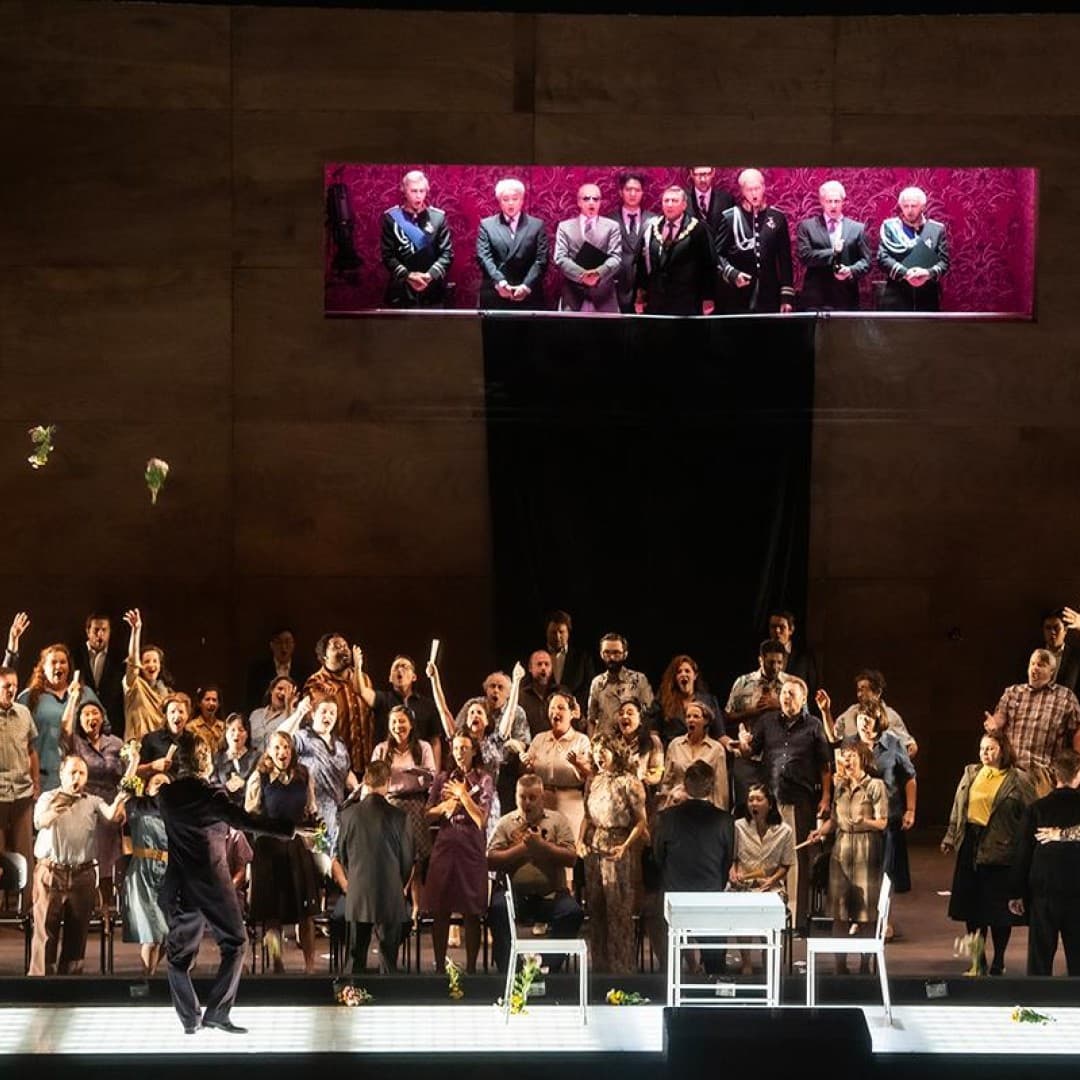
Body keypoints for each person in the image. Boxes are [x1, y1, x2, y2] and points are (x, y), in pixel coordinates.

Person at [159, 732, 293, 1033]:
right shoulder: (211, 795)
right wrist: (292, 828)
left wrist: (130, 796)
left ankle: (190, 1020)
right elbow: (247, 821)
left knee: (178, 959)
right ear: (204, 760)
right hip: (212, 884)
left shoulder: (167, 795)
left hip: (181, 887)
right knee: (236, 943)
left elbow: (143, 806)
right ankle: (217, 1012)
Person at [739, 677, 831, 932]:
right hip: (770, 800)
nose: (787, 697)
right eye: (784, 693)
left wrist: (825, 798)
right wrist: (745, 743)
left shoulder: (813, 725)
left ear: (803, 699)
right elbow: (751, 751)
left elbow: (825, 767)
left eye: (792, 694)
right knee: (767, 855)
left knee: (796, 859)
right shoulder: (767, 722)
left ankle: (795, 919)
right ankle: (767, 917)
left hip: (799, 800)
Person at [942, 732, 1034, 976]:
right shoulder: (971, 773)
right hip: (970, 846)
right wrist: (951, 836)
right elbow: (958, 806)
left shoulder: (1017, 779)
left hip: (1001, 850)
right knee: (971, 909)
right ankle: (977, 961)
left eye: (991, 748)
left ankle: (998, 962)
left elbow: (1031, 812)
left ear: (1002, 750)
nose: (985, 753)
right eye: (982, 748)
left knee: (998, 912)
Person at [30, 754, 130, 974]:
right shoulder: (48, 797)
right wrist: (59, 805)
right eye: (72, 772)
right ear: (61, 774)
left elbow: (112, 815)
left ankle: (71, 986)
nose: (77, 777)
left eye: (81, 773)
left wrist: (123, 794)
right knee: (45, 934)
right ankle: (41, 987)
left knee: (77, 936)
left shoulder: (91, 801)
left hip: (82, 874)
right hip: (51, 873)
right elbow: (40, 822)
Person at [487, 774, 582, 974]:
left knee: (571, 912)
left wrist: (542, 847)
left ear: (542, 798)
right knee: (497, 909)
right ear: (515, 797)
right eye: (522, 797)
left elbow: (571, 858)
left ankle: (546, 966)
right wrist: (521, 849)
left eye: (532, 797)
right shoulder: (506, 823)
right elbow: (490, 860)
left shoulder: (557, 821)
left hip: (551, 896)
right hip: (515, 897)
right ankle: (509, 971)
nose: (527, 803)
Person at [807, 741, 888, 971]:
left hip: (866, 849)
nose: (847, 760)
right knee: (839, 912)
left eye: (852, 756)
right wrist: (819, 832)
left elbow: (883, 823)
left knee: (866, 913)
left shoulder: (875, 786)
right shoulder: (840, 786)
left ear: (863, 758)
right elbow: (834, 819)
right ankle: (840, 965)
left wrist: (867, 822)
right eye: (844, 756)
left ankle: (865, 964)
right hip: (841, 850)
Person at [244, 730, 320, 974]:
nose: (281, 752)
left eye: (285, 747)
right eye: (276, 747)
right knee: (272, 914)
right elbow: (250, 815)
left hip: (297, 849)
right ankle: (277, 964)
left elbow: (311, 809)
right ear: (269, 751)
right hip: (269, 851)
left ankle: (310, 967)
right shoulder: (260, 777)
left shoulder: (303, 774)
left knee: (306, 912)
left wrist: (315, 832)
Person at [331, 758, 414, 974]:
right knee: (388, 960)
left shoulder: (348, 815)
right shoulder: (400, 817)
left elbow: (342, 853)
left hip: (358, 893)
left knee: (355, 958)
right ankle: (388, 1000)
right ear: (388, 781)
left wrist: (355, 879)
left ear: (366, 780)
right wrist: (398, 883)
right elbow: (407, 860)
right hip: (390, 893)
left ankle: (353, 998)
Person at [652, 760, 734, 975]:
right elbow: (727, 861)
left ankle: (670, 999)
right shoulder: (725, 820)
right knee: (715, 963)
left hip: (675, 895)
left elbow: (658, 857)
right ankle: (716, 995)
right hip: (709, 895)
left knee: (671, 967)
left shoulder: (665, 818)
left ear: (686, 784)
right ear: (711, 786)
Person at [424, 731, 494, 974]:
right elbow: (427, 812)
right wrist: (443, 806)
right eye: (456, 748)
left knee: (471, 910)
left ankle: (472, 969)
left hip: (471, 846)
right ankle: (440, 967)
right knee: (440, 908)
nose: (459, 752)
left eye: (464, 748)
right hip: (445, 844)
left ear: (474, 751)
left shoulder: (484, 779)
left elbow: (480, 820)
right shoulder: (443, 777)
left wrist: (463, 796)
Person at [578, 734, 647, 973]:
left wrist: (626, 846)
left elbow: (641, 822)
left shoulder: (629, 782)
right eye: (595, 751)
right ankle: (599, 969)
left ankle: (622, 970)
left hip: (619, 845)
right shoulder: (593, 781)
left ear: (615, 752)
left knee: (618, 911)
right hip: (595, 844)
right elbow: (587, 817)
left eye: (603, 751)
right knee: (596, 910)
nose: (598, 756)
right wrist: (580, 841)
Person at [1009, 749, 1080, 975]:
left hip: (1044, 889)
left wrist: (1016, 891)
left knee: (1040, 955)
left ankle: (1036, 1000)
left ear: (1054, 776)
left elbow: (1022, 853)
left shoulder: (1036, 809)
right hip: (1077, 890)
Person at [58, 674, 125, 903]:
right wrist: (73, 699)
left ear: (103, 717)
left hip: (110, 804)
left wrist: (123, 803)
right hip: (83, 804)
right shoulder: (75, 742)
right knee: (88, 855)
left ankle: (106, 907)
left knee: (108, 858)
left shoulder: (116, 743)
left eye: (95, 713)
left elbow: (126, 776)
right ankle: (85, 905)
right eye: (86, 714)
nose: (91, 717)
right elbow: (64, 730)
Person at [985, 648, 1080, 796]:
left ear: (1052, 672)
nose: (1034, 668)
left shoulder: (1065, 697)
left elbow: (1077, 734)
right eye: (1032, 664)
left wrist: (1075, 771)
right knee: (970, 776)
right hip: (1010, 769)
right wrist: (994, 724)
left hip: (1043, 772)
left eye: (1041, 665)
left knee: (1019, 789)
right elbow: (1000, 717)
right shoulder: (1012, 693)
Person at [371, 704, 435, 917]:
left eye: (402, 721)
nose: (398, 726)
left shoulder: (423, 747)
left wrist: (414, 772)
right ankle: (393, 905)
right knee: (392, 859)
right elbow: (374, 778)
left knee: (415, 859)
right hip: (389, 804)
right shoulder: (382, 749)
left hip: (415, 804)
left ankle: (417, 908)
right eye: (394, 722)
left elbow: (432, 777)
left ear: (411, 724)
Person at [848, 701, 917, 898]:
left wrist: (910, 810)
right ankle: (859, 918)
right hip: (859, 817)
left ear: (879, 721)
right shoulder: (850, 744)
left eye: (869, 719)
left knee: (884, 873)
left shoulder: (893, 744)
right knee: (858, 873)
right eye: (861, 718)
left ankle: (884, 920)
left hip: (887, 817)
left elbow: (909, 778)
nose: (864, 724)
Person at [276, 695, 358, 855]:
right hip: (311, 816)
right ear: (313, 714)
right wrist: (298, 713)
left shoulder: (340, 744)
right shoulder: (303, 737)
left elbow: (346, 773)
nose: (328, 716)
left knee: (334, 865)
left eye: (332, 713)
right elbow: (280, 737)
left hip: (336, 817)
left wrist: (357, 787)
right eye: (324, 711)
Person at [16, 641, 101, 795]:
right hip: (42, 778)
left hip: (79, 779)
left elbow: (103, 730)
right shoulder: (29, 697)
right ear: (43, 667)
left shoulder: (85, 694)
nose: (58, 666)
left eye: (63, 662)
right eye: (53, 662)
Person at [728, 782, 794, 974]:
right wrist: (734, 872)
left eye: (758, 799)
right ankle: (746, 960)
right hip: (744, 885)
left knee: (769, 909)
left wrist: (771, 880)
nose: (754, 804)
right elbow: (733, 860)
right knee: (743, 908)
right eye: (750, 800)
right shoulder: (738, 827)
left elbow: (786, 864)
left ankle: (769, 959)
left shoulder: (784, 831)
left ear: (769, 803)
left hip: (771, 886)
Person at [715, 169, 795, 314]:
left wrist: (786, 297)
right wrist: (732, 274)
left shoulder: (777, 218)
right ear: (742, 191)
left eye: (757, 188)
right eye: (749, 189)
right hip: (738, 295)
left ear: (764, 187)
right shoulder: (730, 218)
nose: (754, 193)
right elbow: (717, 255)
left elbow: (785, 260)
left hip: (769, 295)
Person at [520, 689, 592, 843]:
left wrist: (578, 763)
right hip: (541, 801)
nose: (555, 712)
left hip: (570, 802)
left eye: (560, 708)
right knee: (539, 852)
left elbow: (591, 774)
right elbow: (528, 772)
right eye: (552, 708)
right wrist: (527, 764)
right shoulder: (539, 739)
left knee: (566, 851)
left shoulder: (581, 740)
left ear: (572, 713)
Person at [725, 640, 788, 812]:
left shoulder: (790, 686)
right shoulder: (743, 682)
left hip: (777, 757)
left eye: (779, 662)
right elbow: (728, 716)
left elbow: (803, 717)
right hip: (747, 758)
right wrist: (753, 712)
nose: (775, 667)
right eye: (771, 662)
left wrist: (779, 705)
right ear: (761, 660)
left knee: (775, 809)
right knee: (745, 808)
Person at [634, 185, 715, 315]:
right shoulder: (651, 227)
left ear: (684, 205)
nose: (669, 205)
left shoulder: (698, 229)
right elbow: (643, 264)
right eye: (666, 201)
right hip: (657, 300)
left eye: (674, 201)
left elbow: (708, 265)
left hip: (686, 301)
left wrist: (708, 297)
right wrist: (640, 294)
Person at [355, 650, 442, 770]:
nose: (400, 670)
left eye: (405, 667)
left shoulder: (427, 705)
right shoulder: (382, 699)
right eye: (396, 667)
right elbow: (362, 691)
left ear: (414, 677)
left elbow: (435, 741)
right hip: (388, 772)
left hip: (419, 773)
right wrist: (358, 667)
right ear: (390, 678)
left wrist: (435, 774)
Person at [379, 169, 453, 308]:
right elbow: (387, 256)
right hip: (402, 290)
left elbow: (447, 254)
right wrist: (408, 276)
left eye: (422, 191)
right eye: (414, 191)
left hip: (432, 290)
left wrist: (429, 276)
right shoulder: (392, 218)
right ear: (404, 191)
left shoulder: (438, 218)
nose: (419, 196)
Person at [122, 772, 172, 976]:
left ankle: (150, 973)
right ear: (148, 788)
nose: (161, 785)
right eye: (156, 782)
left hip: (168, 872)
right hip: (143, 872)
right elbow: (124, 793)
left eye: (166, 783)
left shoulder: (175, 814)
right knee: (151, 934)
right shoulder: (137, 807)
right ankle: (146, 978)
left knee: (168, 936)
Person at [795, 180, 872, 311]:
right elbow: (804, 256)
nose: (833, 205)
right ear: (821, 202)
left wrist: (851, 270)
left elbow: (867, 262)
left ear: (843, 202)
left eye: (837, 201)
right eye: (829, 201)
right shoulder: (807, 226)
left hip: (846, 298)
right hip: (815, 299)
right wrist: (833, 252)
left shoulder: (857, 228)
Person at [0, 665, 40, 911]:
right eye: (6, 686)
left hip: (22, 793)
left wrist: (36, 782)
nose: (11, 690)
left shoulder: (24, 713)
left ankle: (28, 911)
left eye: (14, 685)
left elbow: (31, 750)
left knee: (26, 852)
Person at [303, 632, 372, 772]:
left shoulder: (363, 679)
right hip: (334, 766)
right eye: (336, 647)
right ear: (324, 657)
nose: (343, 649)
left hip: (365, 762)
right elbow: (316, 725)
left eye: (345, 646)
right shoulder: (316, 683)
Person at [476, 178, 549, 310]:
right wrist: (500, 282)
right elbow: (484, 258)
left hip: (528, 295)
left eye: (515, 199)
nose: (511, 203)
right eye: (505, 199)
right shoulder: (487, 225)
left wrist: (526, 286)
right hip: (496, 294)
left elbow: (541, 260)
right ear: (499, 201)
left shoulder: (536, 225)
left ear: (522, 200)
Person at [877, 186, 949, 312]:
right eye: (905, 206)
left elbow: (944, 262)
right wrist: (905, 273)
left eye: (914, 206)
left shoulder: (936, 230)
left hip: (927, 297)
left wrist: (927, 273)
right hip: (896, 296)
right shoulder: (891, 227)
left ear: (923, 207)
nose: (909, 210)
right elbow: (882, 258)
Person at [817, 668, 918, 757]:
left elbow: (911, 747)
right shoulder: (851, 712)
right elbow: (832, 737)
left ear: (878, 692)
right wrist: (825, 711)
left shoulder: (891, 716)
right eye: (858, 690)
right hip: (851, 774)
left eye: (864, 690)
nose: (860, 694)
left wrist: (896, 765)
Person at [554, 183, 622, 312]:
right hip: (573, 296)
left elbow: (616, 258)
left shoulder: (612, 227)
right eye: (586, 198)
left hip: (604, 297)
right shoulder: (565, 227)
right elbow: (560, 258)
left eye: (595, 199)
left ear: (600, 202)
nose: (591, 202)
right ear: (579, 202)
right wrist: (582, 275)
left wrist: (598, 273)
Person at [659, 698, 730, 810]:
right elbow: (667, 782)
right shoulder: (675, 745)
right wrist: (663, 811)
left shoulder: (716, 749)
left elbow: (720, 789)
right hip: (678, 806)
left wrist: (719, 817)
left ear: (705, 721)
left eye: (696, 716)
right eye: (688, 716)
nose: (691, 720)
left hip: (704, 809)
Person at [605, 173, 657, 313]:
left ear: (642, 192)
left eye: (637, 190)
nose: (633, 194)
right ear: (621, 192)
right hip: (616, 287)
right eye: (628, 189)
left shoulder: (654, 221)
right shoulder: (609, 221)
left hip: (646, 288)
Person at [586, 632, 654, 736]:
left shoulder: (639, 680)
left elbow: (650, 714)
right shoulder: (597, 683)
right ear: (601, 654)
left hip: (633, 745)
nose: (611, 657)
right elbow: (591, 719)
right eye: (607, 653)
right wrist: (592, 746)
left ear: (625, 654)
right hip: (605, 746)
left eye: (616, 653)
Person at [121, 608, 170, 743]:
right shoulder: (134, 686)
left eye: (155, 661)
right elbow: (132, 662)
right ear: (140, 665)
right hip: (137, 749)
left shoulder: (168, 694)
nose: (151, 665)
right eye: (146, 661)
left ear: (160, 666)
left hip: (161, 750)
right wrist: (136, 631)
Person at [72, 613, 125, 735]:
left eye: (104, 630)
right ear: (87, 631)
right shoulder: (75, 654)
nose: (100, 634)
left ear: (109, 632)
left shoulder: (119, 656)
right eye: (96, 630)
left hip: (112, 725)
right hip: (83, 723)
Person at [655, 653, 721, 746]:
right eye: (679, 672)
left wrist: (732, 744)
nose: (683, 674)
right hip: (673, 753)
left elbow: (720, 734)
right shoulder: (663, 701)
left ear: (695, 676)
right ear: (675, 678)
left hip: (702, 754)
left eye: (687, 671)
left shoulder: (709, 701)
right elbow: (654, 731)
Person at [543, 610, 595, 705]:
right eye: (553, 632)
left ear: (568, 633)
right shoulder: (536, 657)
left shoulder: (582, 658)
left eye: (561, 632)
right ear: (546, 632)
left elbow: (589, 687)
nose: (558, 637)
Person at [244, 627, 300, 715]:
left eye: (287, 642)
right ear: (272, 645)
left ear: (293, 645)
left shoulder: (304, 670)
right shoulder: (258, 671)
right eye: (279, 642)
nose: (284, 647)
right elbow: (251, 701)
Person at [137, 692, 192, 781]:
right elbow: (137, 772)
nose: (177, 716)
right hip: (160, 791)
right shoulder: (151, 739)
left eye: (181, 712)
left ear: (187, 715)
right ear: (166, 716)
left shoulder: (193, 740)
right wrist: (152, 766)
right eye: (172, 712)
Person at [213, 712, 260, 806]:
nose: (236, 734)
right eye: (232, 730)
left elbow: (260, 786)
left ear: (247, 734)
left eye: (241, 730)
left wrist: (245, 785)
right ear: (226, 733)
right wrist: (225, 787)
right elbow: (212, 784)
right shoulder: (218, 758)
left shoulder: (257, 757)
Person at [248, 675, 298, 754]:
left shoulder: (295, 715)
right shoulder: (256, 714)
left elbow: (290, 738)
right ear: (272, 690)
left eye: (287, 691)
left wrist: (289, 706)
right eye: (280, 688)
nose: (282, 693)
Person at [1039, 609, 1080, 694]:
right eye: (1048, 628)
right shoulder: (1032, 656)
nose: (1052, 632)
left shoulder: (1076, 657)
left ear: (1065, 630)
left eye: (1056, 627)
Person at [519, 650, 557, 738]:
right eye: (539, 664)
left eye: (547, 664)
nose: (543, 668)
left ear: (551, 669)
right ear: (530, 668)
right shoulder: (520, 696)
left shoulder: (561, 692)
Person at [189, 686, 225, 752]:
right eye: (207, 699)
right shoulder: (191, 727)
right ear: (199, 703)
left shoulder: (224, 727)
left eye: (214, 700)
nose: (211, 703)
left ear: (219, 704)